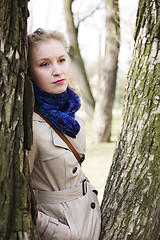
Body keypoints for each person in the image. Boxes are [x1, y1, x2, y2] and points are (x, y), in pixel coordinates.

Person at [28, 28, 101, 240]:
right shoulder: (30, 125)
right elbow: (14, 194)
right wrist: (60, 233)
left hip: (90, 218)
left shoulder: (70, 116)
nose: (57, 71)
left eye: (61, 60)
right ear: (29, 72)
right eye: (44, 64)